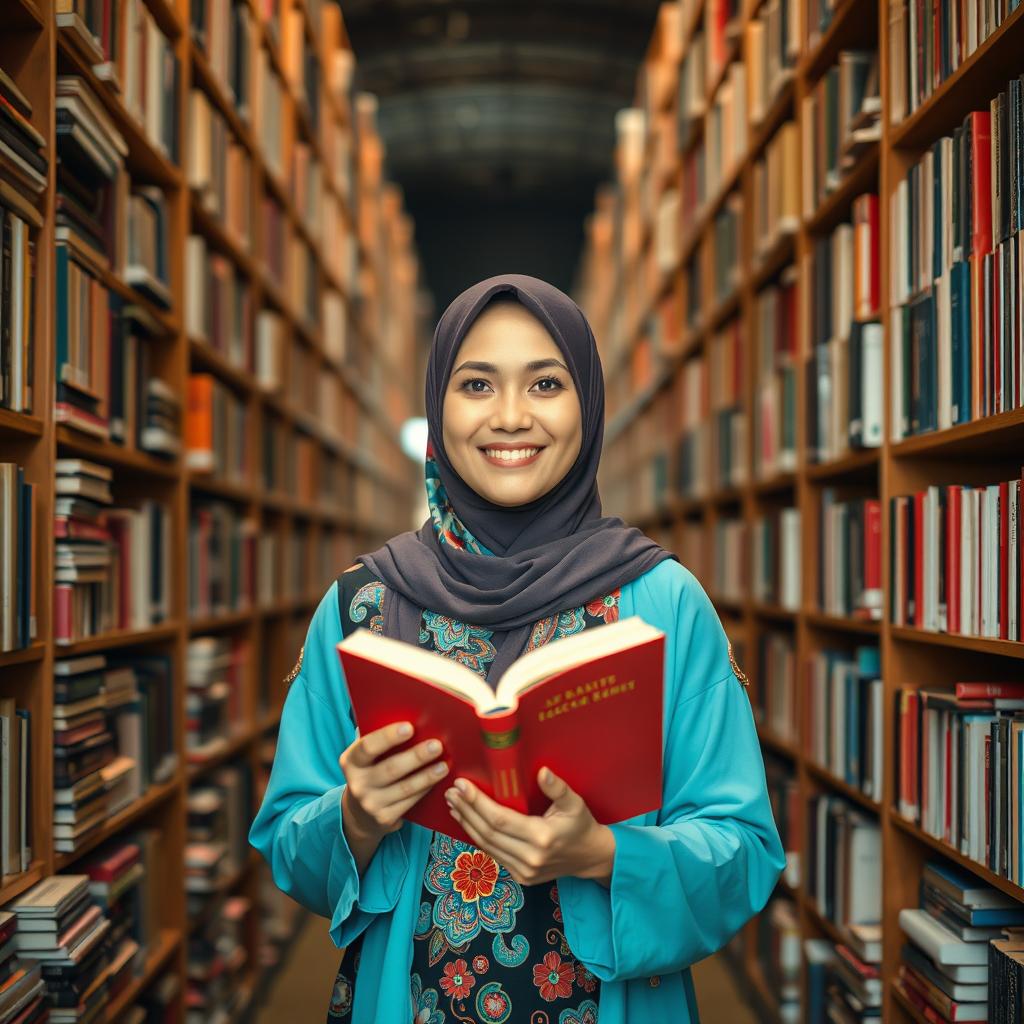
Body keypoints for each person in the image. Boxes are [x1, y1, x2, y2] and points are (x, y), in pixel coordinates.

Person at [249, 274, 785, 1024]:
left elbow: (743, 851)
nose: (509, 417)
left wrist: (601, 855)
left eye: (545, 383)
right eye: (476, 384)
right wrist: (356, 818)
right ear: (438, 406)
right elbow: (285, 839)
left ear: (588, 405)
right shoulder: (359, 608)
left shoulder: (665, 604)